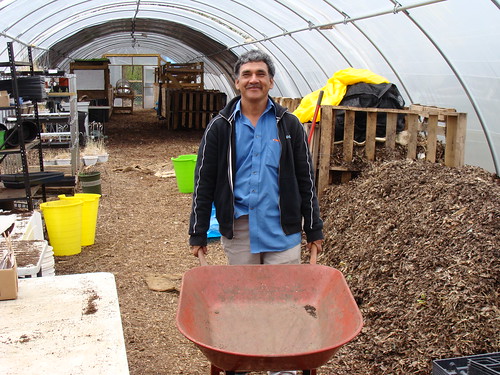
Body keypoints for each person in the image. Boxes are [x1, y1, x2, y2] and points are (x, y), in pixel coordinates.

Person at [188, 49, 324, 375]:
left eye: (260, 74)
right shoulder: (221, 126)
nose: (254, 80)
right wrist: (197, 231)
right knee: (243, 303)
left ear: (270, 81)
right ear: (237, 82)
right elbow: (204, 180)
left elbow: (306, 179)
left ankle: (284, 367)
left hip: (283, 230)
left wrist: (314, 229)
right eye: (247, 74)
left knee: (284, 303)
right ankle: (244, 359)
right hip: (241, 230)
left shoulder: (288, 124)